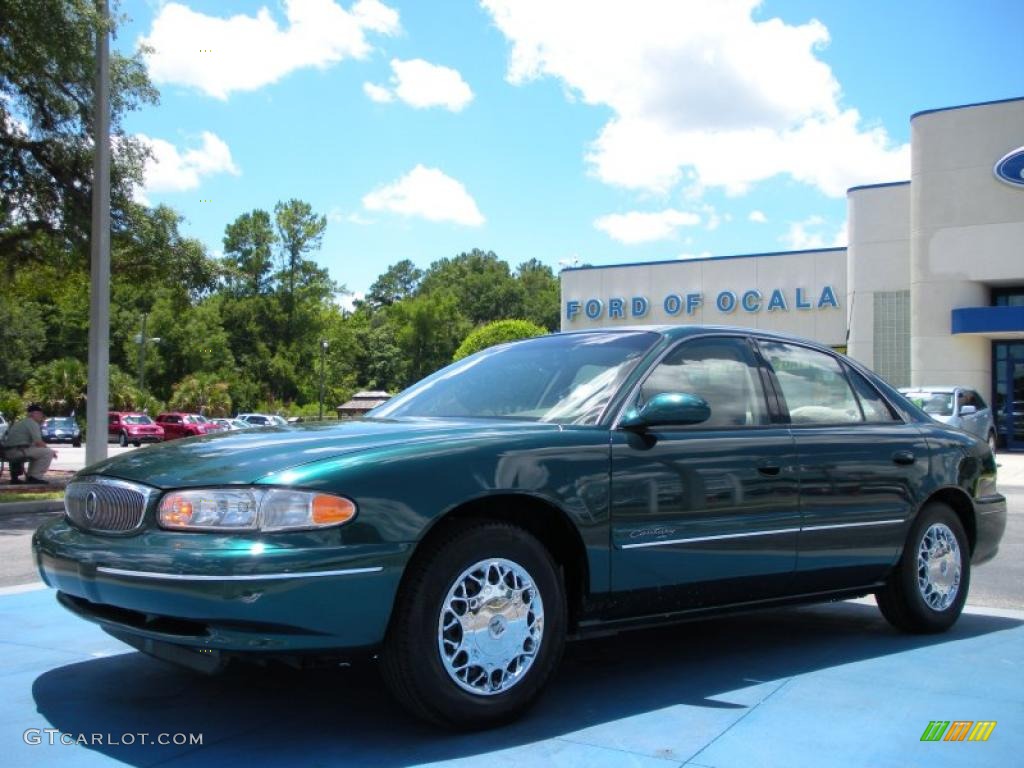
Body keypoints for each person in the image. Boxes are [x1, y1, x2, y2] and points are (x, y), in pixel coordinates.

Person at [2, 404, 57, 484]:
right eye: (38, 413)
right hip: (17, 451)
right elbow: (38, 442)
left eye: (41, 413)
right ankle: (34, 477)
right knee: (48, 452)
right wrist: (51, 450)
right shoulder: (32, 423)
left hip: (8, 451)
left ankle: (31, 477)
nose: (41, 415)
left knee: (38, 452)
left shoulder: (21, 422)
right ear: (31, 414)